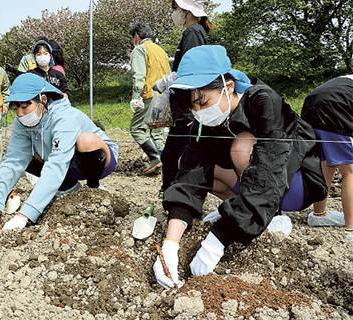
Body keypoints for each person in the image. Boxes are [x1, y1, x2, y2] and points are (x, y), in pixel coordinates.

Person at [152, 45, 327, 289]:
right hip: (254, 181)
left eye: (203, 102)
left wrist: (219, 237)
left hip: (295, 185)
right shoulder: (204, 123)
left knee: (242, 147)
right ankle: (243, 208)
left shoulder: (262, 101)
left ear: (228, 87)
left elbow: (269, 170)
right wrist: (171, 245)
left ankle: (270, 215)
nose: (199, 112)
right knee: (188, 162)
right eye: (193, 106)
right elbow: (189, 180)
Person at [0, 73, 119, 230]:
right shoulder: (21, 121)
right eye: (15, 108)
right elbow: (14, 160)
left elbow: (57, 164)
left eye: (25, 106)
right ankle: (69, 187)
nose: (20, 113)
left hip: (97, 160)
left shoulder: (64, 116)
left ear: (43, 100)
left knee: (86, 141)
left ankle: (94, 188)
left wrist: (25, 215)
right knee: (23, 154)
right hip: (66, 165)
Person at [154, 0, 215, 192]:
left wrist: (165, 82)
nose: (174, 13)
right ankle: (169, 195)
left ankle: (182, 200)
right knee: (169, 156)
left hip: (188, 109)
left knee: (182, 158)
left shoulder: (193, 32)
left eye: (176, 9)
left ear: (185, 10)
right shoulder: (194, 32)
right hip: (183, 111)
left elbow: (190, 69)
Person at [301, 75, 353, 242]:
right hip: (336, 106)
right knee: (350, 171)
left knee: (325, 163)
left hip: (312, 103)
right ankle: (351, 229)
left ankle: (319, 214)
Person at [128, 22, 170, 175]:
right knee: (157, 133)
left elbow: (138, 75)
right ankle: (166, 166)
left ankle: (155, 158)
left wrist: (135, 97)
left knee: (136, 128)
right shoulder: (161, 51)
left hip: (149, 95)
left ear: (137, 37)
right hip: (164, 96)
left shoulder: (139, 49)